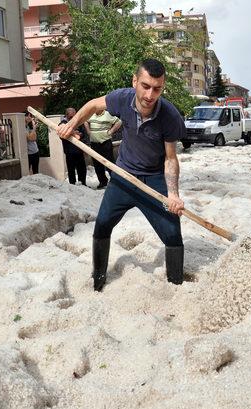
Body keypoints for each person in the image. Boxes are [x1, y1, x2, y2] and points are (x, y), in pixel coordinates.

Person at [56, 59, 186, 291]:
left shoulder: (170, 116)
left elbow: (170, 158)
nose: (150, 94)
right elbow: (94, 106)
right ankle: (98, 280)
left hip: (154, 181)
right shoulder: (121, 98)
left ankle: (176, 286)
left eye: (157, 88)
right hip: (122, 178)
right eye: (145, 86)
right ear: (135, 81)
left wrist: (173, 194)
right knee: (102, 225)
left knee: (173, 235)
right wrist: (72, 125)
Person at [88, 111, 122, 189]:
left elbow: (119, 122)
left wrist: (111, 131)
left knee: (109, 163)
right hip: (94, 143)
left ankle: (116, 182)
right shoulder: (91, 114)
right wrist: (88, 131)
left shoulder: (108, 114)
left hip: (105, 142)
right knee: (97, 164)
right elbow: (86, 121)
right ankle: (102, 182)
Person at [60, 107, 90, 186]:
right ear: (66, 116)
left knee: (82, 169)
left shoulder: (79, 122)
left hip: (79, 150)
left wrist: (79, 134)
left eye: (74, 116)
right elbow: (62, 135)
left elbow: (84, 134)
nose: (73, 118)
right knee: (71, 170)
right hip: (69, 151)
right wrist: (74, 133)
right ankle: (72, 185)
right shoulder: (63, 123)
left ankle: (83, 184)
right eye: (71, 117)